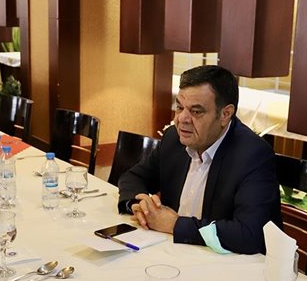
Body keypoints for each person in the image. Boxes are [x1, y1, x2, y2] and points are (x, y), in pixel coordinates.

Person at [117, 64, 281, 254]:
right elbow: (133, 178)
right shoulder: (174, 138)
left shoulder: (253, 155)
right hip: (172, 252)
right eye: (179, 107)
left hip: (226, 264)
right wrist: (141, 206)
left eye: (196, 111)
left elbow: (249, 234)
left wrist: (175, 224)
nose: (182, 119)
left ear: (225, 114)